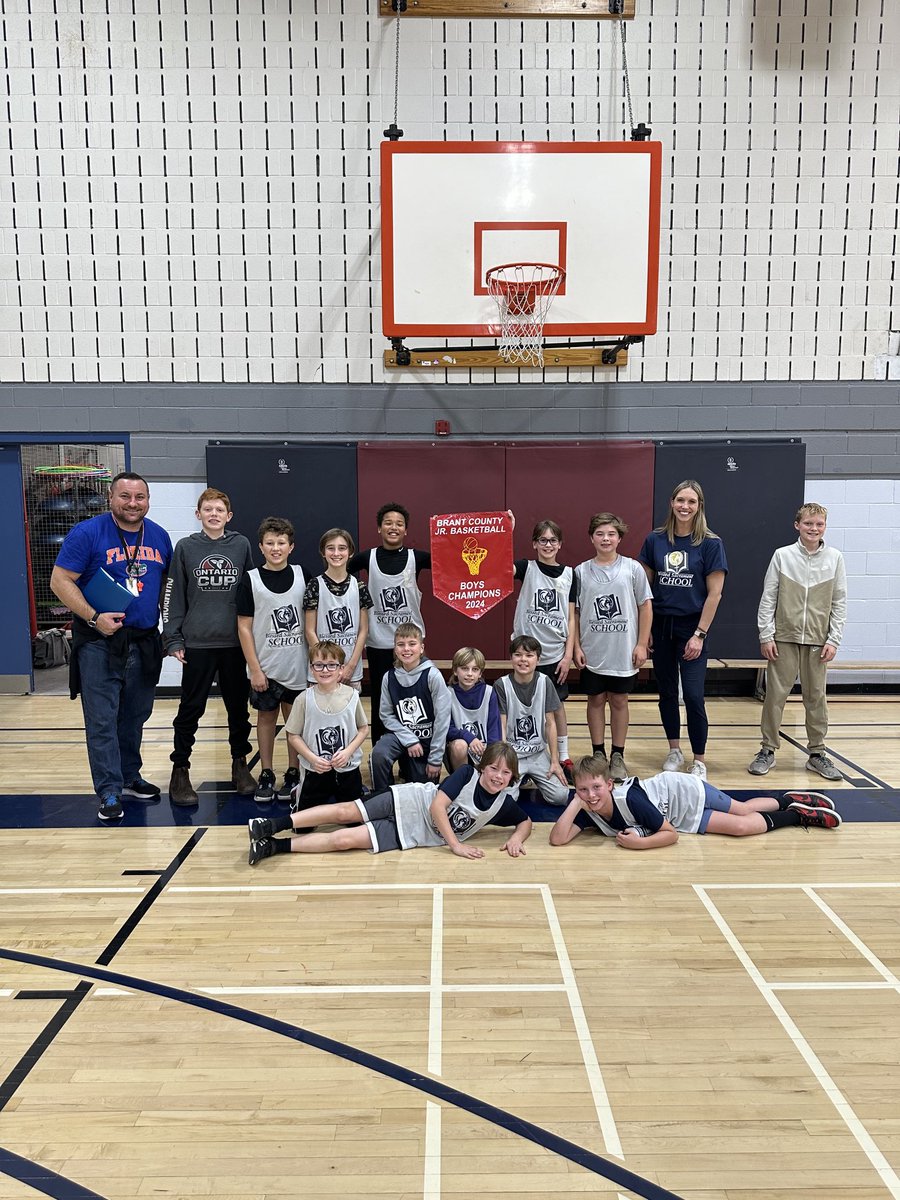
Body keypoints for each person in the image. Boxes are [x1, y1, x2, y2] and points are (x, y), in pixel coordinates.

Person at [50, 471, 173, 821]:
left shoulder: (160, 536)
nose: (132, 504)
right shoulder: (87, 533)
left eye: (139, 497)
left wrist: (164, 626)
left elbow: (163, 585)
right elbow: (60, 581)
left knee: (135, 716)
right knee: (102, 719)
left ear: (148, 500)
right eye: (125, 497)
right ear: (110, 498)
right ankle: (108, 790)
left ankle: (130, 775)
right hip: (100, 643)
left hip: (145, 641)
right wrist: (93, 618)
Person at [247, 741, 531, 865]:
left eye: (506, 772)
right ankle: (272, 824)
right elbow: (436, 807)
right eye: (494, 768)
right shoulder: (467, 773)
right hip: (409, 801)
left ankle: (273, 846)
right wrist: (455, 845)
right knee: (345, 811)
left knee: (344, 840)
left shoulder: (502, 803)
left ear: (511, 777)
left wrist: (517, 838)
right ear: (483, 768)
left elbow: (525, 821)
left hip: (412, 834)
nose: (498, 776)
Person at [162, 488, 255, 806]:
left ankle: (240, 764)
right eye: (207, 509)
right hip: (197, 644)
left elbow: (252, 592)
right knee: (190, 710)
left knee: (238, 710)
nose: (213, 514)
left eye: (219, 510)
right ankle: (180, 768)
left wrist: (255, 639)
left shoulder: (241, 545)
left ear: (228, 516)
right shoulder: (186, 547)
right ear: (198, 514)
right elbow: (173, 594)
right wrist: (173, 637)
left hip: (233, 643)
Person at [549, 753, 841, 849]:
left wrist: (640, 844)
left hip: (683, 791)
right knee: (739, 828)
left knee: (742, 810)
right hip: (677, 814)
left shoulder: (631, 799)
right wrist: (575, 802)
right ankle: (799, 813)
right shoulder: (589, 807)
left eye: (596, 787)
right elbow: (558, 839)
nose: (592, 795)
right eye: (584, 790)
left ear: (609, 784)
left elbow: (670, 835)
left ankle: (787, 801)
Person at [748, 503, 848, 781]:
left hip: (818, 642)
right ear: (797, 525)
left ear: (824, 527)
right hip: (783, 639)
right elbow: (768, 598)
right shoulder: (782, 556)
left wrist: (834, 639)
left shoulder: (835, 558)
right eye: (808, 524)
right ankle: (767, 749)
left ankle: (817, 753)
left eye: (819, 524)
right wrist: (766, 634)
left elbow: (839, 602)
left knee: (816, 698)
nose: (813, 529)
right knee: (775, 697)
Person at [638, 479, 727, 780]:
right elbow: (644, 589)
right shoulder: (656, 540)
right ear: (672, 503)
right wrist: (645, 629)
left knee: (692, 695)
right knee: (665, 693)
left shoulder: (711, 543)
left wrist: (700, 634)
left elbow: (714, 594)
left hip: (692, 627)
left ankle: (698, 759)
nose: (685, 506)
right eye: (680, 500)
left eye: (691, 501)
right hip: (661, 626)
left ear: (699, 505)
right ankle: (674, 749)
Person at [574, 513, 653, 782]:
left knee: (619, 700)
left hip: (623, 650)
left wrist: (642, 643)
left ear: (619, 538)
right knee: (595, 700)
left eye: (611, 534)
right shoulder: (581, 571)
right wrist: (575, 646)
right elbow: (573, 612)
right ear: (591, 538)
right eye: (600, 534)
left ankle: (617, 754)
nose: (605, 539)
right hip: (593, 649)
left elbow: (645, 606)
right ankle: (599, 753)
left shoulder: (632, 569)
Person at [236, 517, 308, 803]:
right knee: (266, 719)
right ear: (261, 547)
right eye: (270, 543)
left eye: (281, 543)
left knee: (295, 722)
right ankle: (266, 772)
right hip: (265, 666)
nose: (275, 548)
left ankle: (294, 771)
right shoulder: (251, 580)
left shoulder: (304, 575)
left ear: (291, 546)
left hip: (297, 665)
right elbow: (244, 626)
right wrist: (254, 668)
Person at [348, 503, 431, 744]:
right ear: (379, 528)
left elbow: (454, 558)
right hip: (379, 643)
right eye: (388, 522)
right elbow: (337, 576)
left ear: (405, 530)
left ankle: (412, 754)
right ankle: (380, 752)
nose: (393, 527)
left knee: (412, 700)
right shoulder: (367, 557)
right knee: (381, 701)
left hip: (411, 645)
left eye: (399, 524)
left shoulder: (417, 557)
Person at [511, 518, 577, 777]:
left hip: (555, 652)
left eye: (552, 540)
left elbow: (572, 616)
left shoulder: (571, 574)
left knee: (556, 705)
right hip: (527, 651)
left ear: (560, 544)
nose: (547, 544)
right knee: (523, 705)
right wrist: (508, 531)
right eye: (542, 540)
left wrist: (568, 653)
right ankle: (521, 751)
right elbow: (499, 567)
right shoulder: (526, 568)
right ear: (534, 544)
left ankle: (563, 755)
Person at [283, 640, 369, 811]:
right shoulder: (303, 699)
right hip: (316, 769)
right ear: (311, 668)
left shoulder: (352, 696)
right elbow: (293, 735)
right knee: (303, 828)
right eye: (319, 665)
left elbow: (363, 729)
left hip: (347, 768)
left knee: (354, 824)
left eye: (331, 665)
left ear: (341, 669)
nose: (325, 670)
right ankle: (299, 792)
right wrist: (312, 758)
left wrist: (348, 752)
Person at [369, 622, 451, 792]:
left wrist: (435, 759)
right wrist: (409, 739)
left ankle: (411, 771)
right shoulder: (388, 677)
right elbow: (385, 715)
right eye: (401, 645)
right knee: (378, 754)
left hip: (427, 741)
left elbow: (442, 720)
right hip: (401, 736)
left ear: (421, 648)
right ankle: (383, 795)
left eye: (412, 644)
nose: (406, 649)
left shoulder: (433, 676)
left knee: (421, 791)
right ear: (395, 649)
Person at [493, 635, 571, 806]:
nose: (523, 660)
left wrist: (555, 761)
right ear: (511, 657)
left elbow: (550, 724)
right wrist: (504, 762)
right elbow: (502, 726)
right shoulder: (501, 685)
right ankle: (522, 776)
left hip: (538, 753)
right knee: (506, 800)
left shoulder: (545, 682)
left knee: (561, 796)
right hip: (513, 754)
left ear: (538, 659)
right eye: (518, 655)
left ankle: (531, 774)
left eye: (529, 655)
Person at [303, 527, 372, 690]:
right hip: (321, 671)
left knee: (348, 715)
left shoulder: (359, 586)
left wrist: (350, 666)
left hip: (350, 670)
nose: (336, 553)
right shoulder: (314, 585)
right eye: (330, 548)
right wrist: (327, 665)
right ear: (323, 552)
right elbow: (309, 631)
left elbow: (363, 630)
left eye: (342, 548)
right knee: (320, 714)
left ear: (351, 552)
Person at [445, 646, 502, 770]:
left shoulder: (489, 692)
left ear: (480, 673)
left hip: (484, 751)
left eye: (475, 669)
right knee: (459, 745)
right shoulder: (447, 694)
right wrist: (469, 737)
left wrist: (490, 757)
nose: (469, 674)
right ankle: (463, 781)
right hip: (460, 751)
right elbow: (446, 729)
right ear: (455, 670)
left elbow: (494, 730)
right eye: (464, 668)